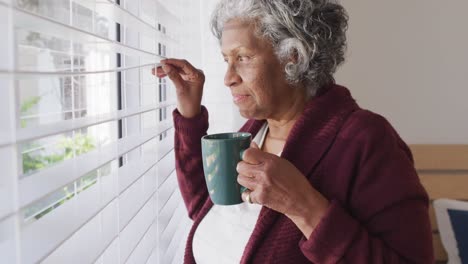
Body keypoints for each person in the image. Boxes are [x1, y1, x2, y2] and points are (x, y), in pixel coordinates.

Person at [152, 0, 434, 263]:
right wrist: (190, 115)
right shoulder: (255, 131)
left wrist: (303, 205)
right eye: (226, 59)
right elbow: (206, 207)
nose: (228, 78)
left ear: (294, 57)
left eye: (244, 57)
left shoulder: (365, 140)